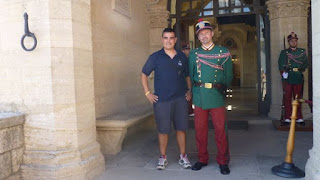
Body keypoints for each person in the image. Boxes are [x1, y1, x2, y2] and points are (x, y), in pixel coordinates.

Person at [141, 28, 192, 170]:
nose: (168, 41)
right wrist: (147, 93)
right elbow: (144, 74)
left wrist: (189, 90)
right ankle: (163, 157)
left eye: (171, 38)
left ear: (175, 40)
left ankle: (183, 156)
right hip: (162, 101)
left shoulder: (182, 57)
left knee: (181, 129)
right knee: (163, 130)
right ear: (162, 39)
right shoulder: (155, 57)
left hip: (180, 100)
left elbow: (187, 76)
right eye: (165, 38)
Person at [189, 19, 233, 175]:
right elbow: (191, 75)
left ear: (212, 33)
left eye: (206, 33)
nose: (204, 36)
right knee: (200, 131)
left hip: (216, 96)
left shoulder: (223, 52)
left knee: (221, 130)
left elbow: (228, 76)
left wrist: (221, 89)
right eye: (200, 34)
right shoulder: (194, 54)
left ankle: (223, 161)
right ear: (198, 37)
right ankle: (202, 159)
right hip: (200, 96)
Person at [278, 32, 308, 125]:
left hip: (298, 76)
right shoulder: (284, 53)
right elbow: (280, 64)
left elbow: (305, 64)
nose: (293, 43)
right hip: (288, 77)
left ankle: (299, 117)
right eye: (291, 41)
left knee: (298, 98)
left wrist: (299, 70)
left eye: (295, 41)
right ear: (288, 42)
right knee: (287, 97)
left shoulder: (302, 52)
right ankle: (287, 117)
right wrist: (283, 73)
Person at [182, 43, 194, 116]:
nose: (188, 51)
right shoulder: (182, 59)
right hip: (184, 80)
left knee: (189, 95)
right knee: (186, 95)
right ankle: (189, 111)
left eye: (189, 49)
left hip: (189, 79)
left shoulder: (188, 58)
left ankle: (189, 110)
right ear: (183, 50)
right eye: (187, 49)